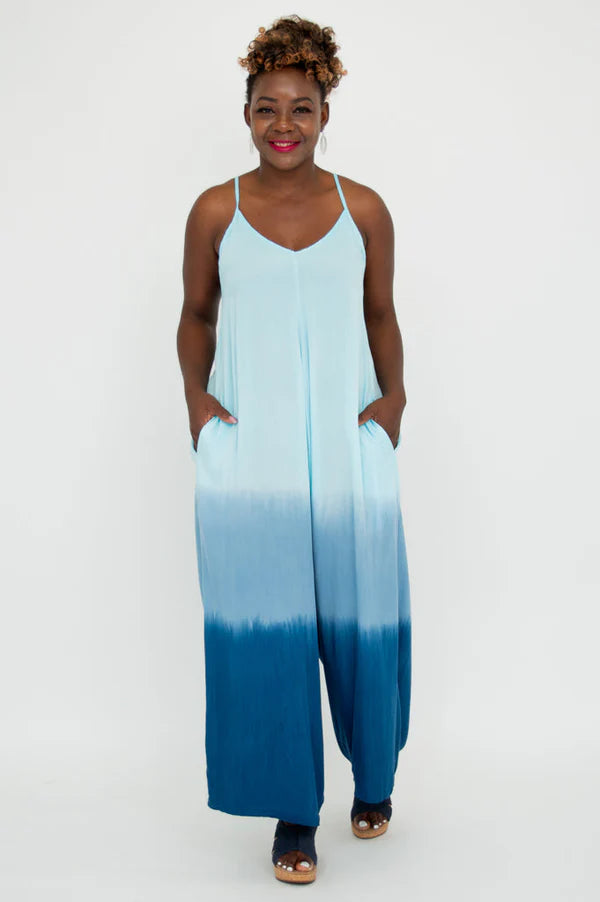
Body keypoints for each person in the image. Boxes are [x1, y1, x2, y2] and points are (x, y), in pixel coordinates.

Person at [177, 14, 411, 885]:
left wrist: (393, 403)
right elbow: (196, 315)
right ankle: (293, 815)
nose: (285, 124)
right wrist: (198, 405)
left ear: (324, 115)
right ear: (246, 114)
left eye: (301, 108)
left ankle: (375, 779)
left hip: (351, 448)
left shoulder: (364, 209)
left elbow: (380, 313)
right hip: (252, 459)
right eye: (268, 107)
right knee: (266, 632)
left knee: (364, 619)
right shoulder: (216, 210)